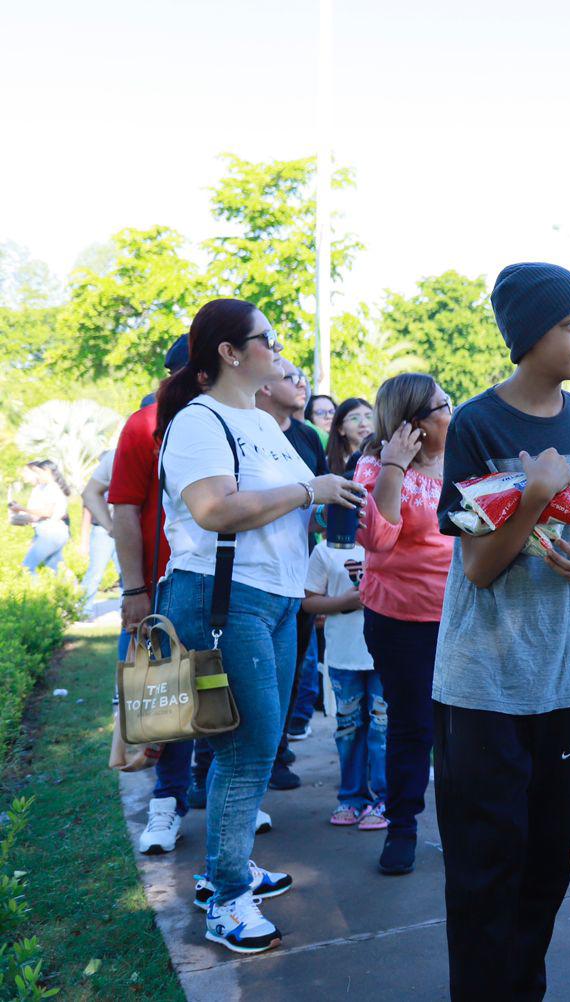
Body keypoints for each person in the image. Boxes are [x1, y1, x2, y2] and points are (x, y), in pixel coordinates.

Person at [432, 263, 570, 998]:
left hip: (560, 680)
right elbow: (478, 566)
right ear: (528, 334)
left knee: (547, 866)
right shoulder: (480, 424)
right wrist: (535, 493)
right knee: (486, 872)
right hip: (482, 683)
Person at [154, 298, 365, 954]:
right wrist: (312, 491)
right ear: (229, 352)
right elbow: (214, 509)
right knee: (250, 749)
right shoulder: (200, 420)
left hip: (272, 600)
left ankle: (230, 860)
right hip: (224, 601)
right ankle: (226, 897)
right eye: (266, 339)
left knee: (244, 745)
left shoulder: (261, 422)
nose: (277, 349)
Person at [114, 334, 261, 854]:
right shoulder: (146, 424)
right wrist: (134, 588)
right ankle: (166, 804)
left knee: (219, 695)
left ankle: (216, 797)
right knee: (170, 700)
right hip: (166, 585)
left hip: (230, 587)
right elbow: (125, 508)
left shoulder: (241, 421)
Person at [349, 373, 454, 873]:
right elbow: (377, 541)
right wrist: (394, 465)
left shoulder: (462, 459)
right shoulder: (373, 463)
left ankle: (462, 827)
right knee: (413, 727)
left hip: (460, 616)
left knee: (461, 727)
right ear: (413, 422)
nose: (451, 414)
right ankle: (403, 827)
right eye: (442, 407)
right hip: (400, 618)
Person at [256, 362, 329, 773]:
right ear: (264, 386)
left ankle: (279, 753)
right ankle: (206, 766)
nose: (301, 383)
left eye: (303, 376)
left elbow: (317, 500)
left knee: (292, 666)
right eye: (290, 376)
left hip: (297, 572)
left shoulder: (306, 437)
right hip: (251, 574)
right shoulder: (245, 433)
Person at [302, 533, 387, 829]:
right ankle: (351, 798)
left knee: (382, 729)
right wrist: (345, 601)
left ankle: (384, 798)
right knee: (349, 728)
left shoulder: (390, 541)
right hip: (343, 654)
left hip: (385, 654)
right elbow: (309, 602)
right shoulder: (325, 550)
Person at [11, 460, 72, 575]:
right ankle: (75, 591)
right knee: (57, 568)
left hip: (51, 532)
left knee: (28, 567)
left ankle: (36, 592)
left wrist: (22, 509)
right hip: (50, 531)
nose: (37, 477)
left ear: (47, 471)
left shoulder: (52, 488)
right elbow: (37, 517)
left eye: (39, 473)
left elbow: (47, 513)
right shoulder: (46, 488)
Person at [79, 449, 120, 615]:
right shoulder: (97, 485)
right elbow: (87, 511)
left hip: (121, 532)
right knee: (95, 571)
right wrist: (84, 540)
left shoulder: (123, 481)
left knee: (125, 573)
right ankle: (84, 609)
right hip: (103, 531)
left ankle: (125, 607)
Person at [327, 397, 376, 475]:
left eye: (369, 417)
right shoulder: (326, 464)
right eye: (354, 418)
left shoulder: (385, 458)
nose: (364, 423)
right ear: (340, 429)